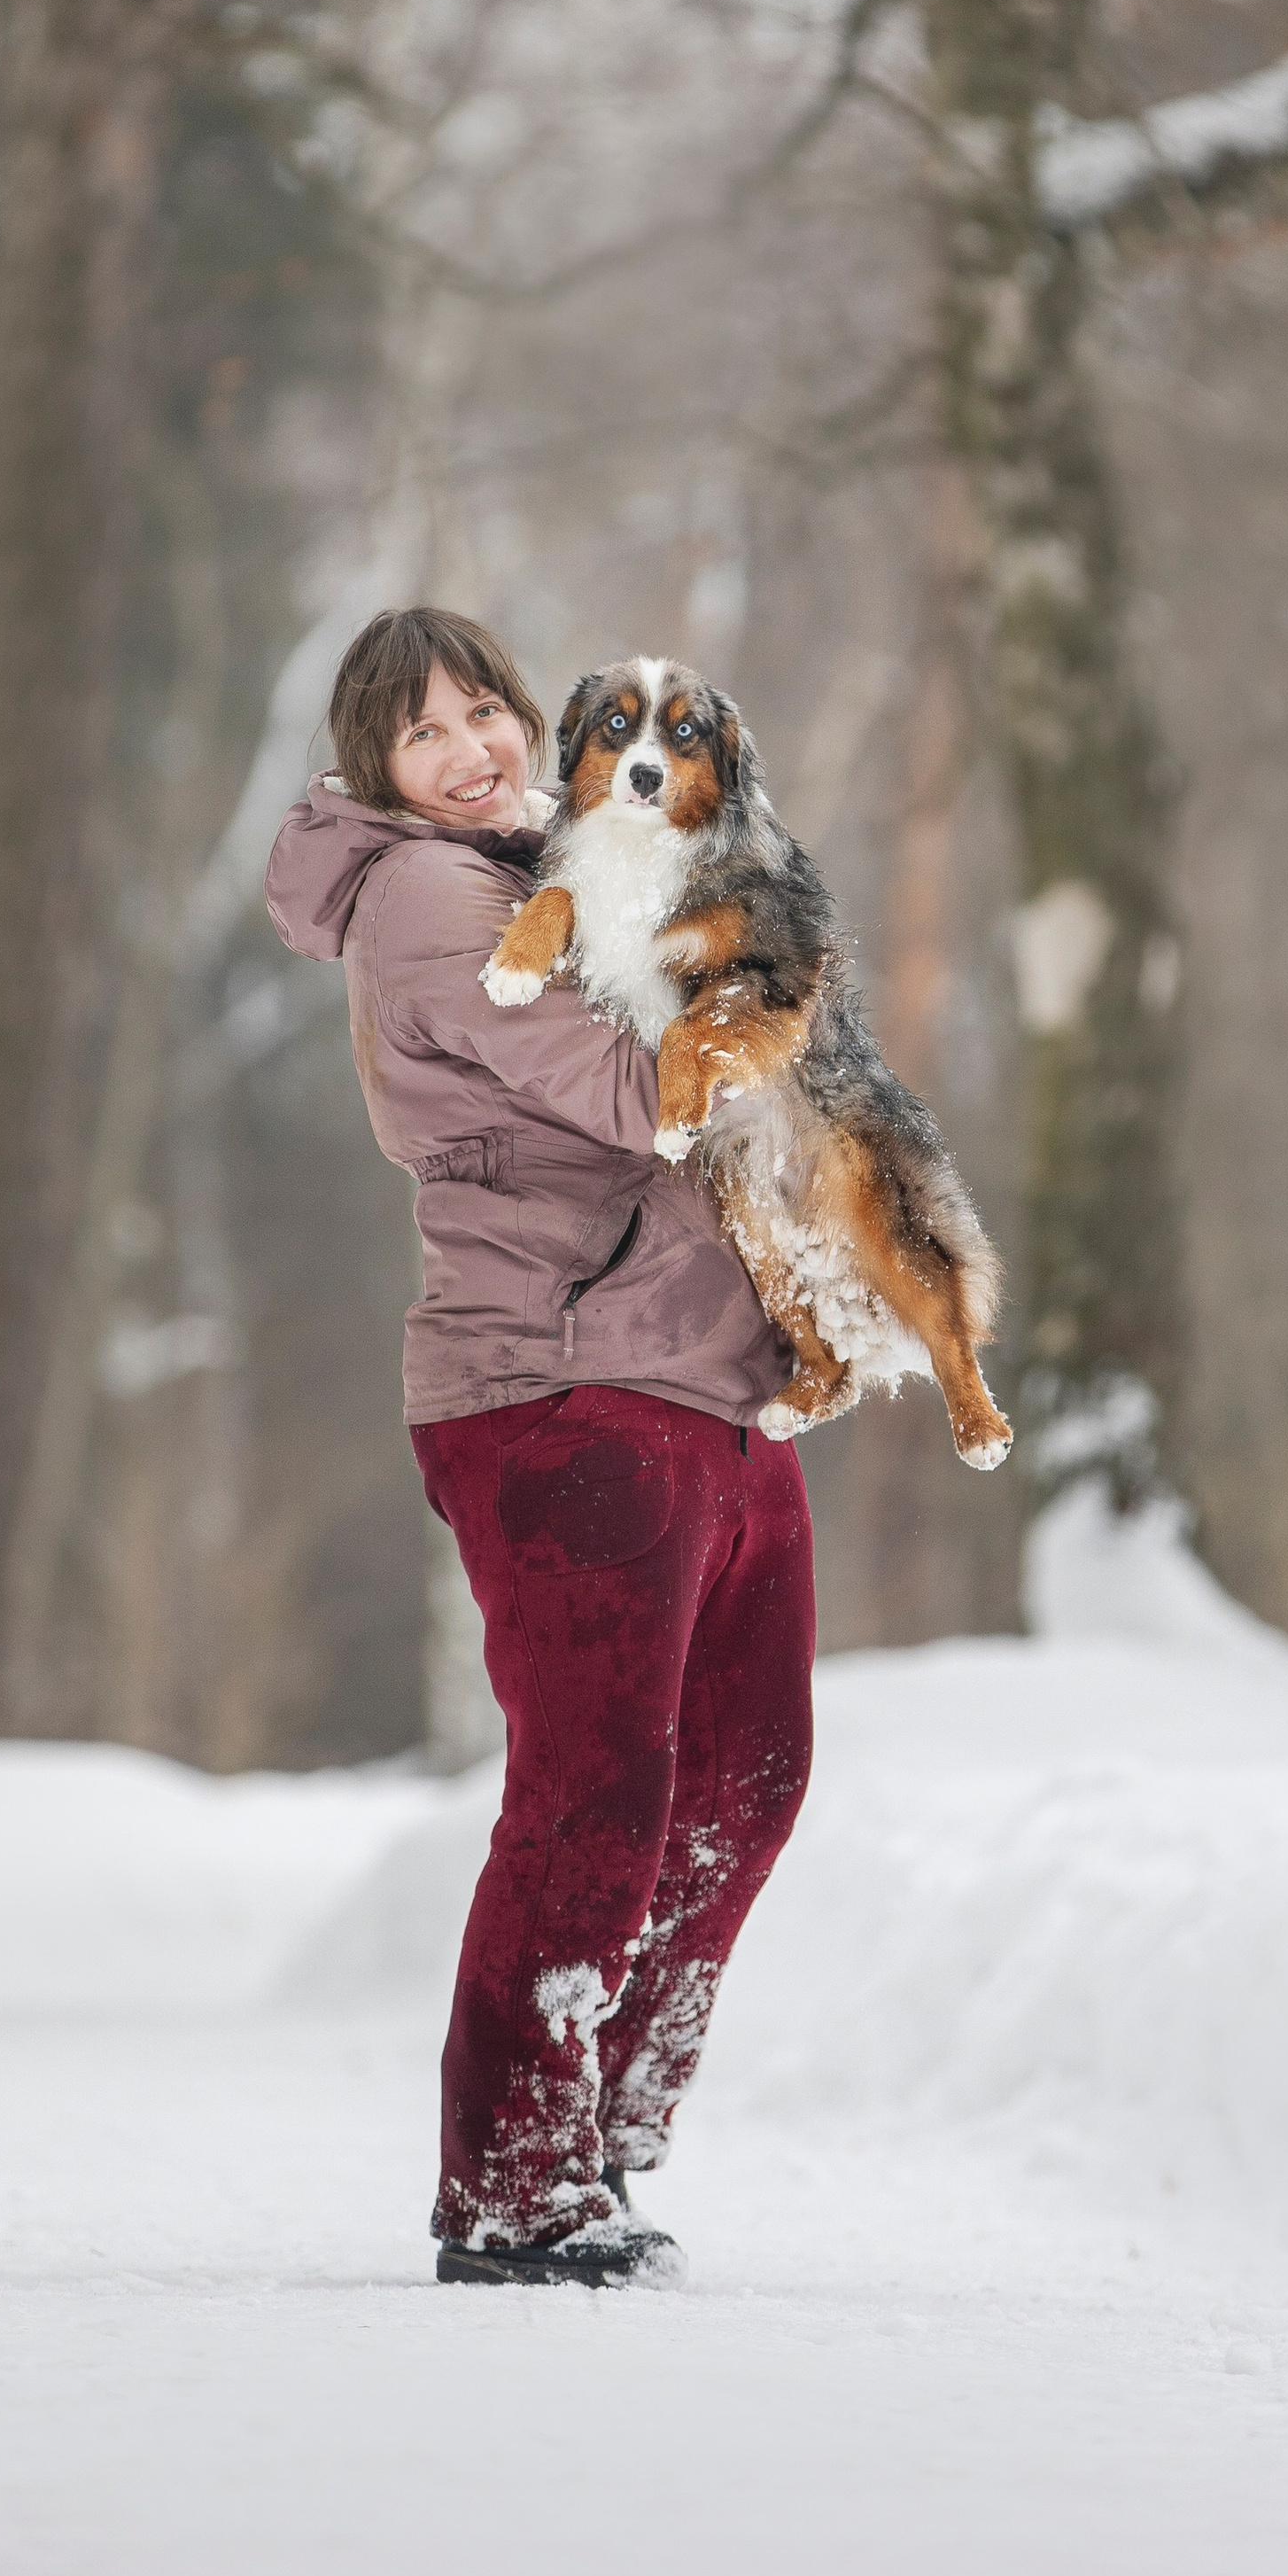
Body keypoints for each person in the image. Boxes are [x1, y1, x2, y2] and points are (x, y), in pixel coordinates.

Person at [264, 604, 815, 2289]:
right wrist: (782, 1007)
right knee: (597, 1788)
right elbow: (649, 1087)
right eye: (423, 733)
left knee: (746, 1770)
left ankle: (597, 2112)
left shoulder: (552, 868)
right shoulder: (434, 895)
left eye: (484, 707)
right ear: (381, 773)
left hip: (700, 1379)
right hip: (563, 1389)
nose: (471, 746)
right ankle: (512, 2174)